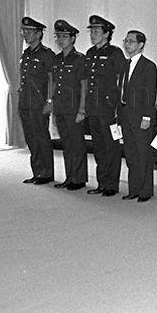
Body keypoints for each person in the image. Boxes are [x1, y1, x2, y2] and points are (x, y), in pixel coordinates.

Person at [84, 15, 126, 197]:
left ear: (107, 33)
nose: (93, 34)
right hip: (93, 107)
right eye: (91, 31)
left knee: (111, 147)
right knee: (99, 147)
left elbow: (121, 81)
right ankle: (102, 182)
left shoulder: (115, 53)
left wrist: (118, 106)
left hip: (109, 108)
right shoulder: (90, 53)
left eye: (96, 31)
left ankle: (111, 185)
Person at [118, 30, 157, 202]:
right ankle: (133, 189)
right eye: (126, 41)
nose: (127, 44)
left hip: (141, 117)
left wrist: (147, 117)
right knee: (131, 155)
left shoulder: (148, 66)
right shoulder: (124, 64)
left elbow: (150, 94)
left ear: (140, 45)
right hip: (126, 116)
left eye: (131, 41)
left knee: (143, 155)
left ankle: (145, 191)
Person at [50, 20, 88, 191]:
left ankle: (78, 179)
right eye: (58, 36)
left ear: (73, 38)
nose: (61, 39)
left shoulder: (79, 59)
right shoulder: (57, 59)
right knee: (67, 144)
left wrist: (82, 109)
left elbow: (84, 86)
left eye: (64, 36)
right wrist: (52, 104)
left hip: (74, 108)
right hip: (60, 108)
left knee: (77, 144)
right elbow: (54, 84)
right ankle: (69, 176)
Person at [18, 16, 55, 185]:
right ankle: (37, 171)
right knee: (31, 138)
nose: (25, 34)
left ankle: (46, 173)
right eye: (24, 31)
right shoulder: (26, 54)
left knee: (41, 137)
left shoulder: (46, 54)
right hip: (25, 102)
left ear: (39, 34)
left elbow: (52, 79)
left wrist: (49, 101)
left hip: (39, 103)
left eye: (29, 31)